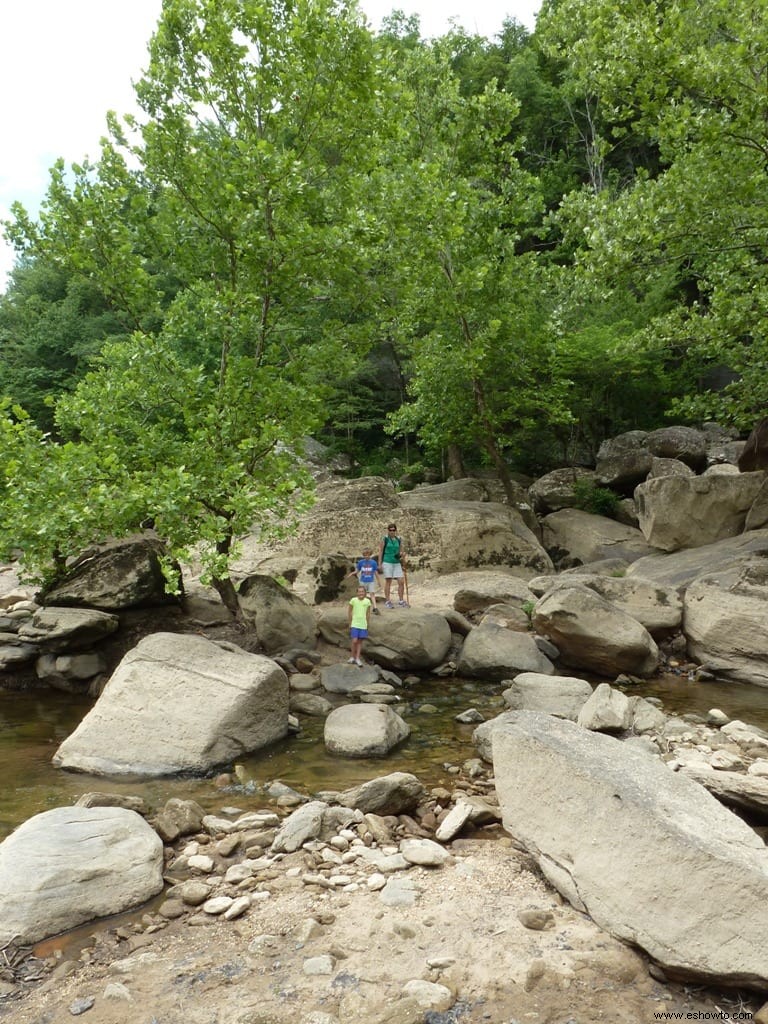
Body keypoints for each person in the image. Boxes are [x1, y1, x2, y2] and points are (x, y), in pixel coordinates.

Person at [379, 522, 408, 608]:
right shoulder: (385, 539)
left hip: (396, 562)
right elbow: (380, 551)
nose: (392, 532)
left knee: (401, 581)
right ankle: (388, 601)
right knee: (389, 581)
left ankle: (401, 600)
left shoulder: (398, 539)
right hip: (387, 561)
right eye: (390, 530)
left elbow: (401, 551)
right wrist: (379, 564)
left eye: (394, 530)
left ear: (395, 530)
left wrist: (402, 555)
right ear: (388, 530)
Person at [345, 547, 381, 613]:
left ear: (370, 554)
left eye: (368, 554)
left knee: (372, 593)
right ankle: (362, 606)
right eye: (365, 555)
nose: (366, 556)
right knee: (362, 594)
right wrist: (351, 574)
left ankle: (375, 607)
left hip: (371, 581)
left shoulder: (373, 563)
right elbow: (357, 571)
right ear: (363, 555)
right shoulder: (361, 562)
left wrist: (379, 581)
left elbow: (376, 572)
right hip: (363, 581)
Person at [347, 584, 372, 666]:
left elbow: (368, 613)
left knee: (360, 642)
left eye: (362, 592)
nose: (361, 593)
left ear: (365, 593)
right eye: (359, 592)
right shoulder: (353, 600)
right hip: (355, 623)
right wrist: (350, 622)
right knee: (354, 641)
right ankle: (352, 657)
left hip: (363, 624)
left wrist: (367, 623)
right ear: (357, 593)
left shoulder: (367, 601)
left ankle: (357, 658)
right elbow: (349, 612)